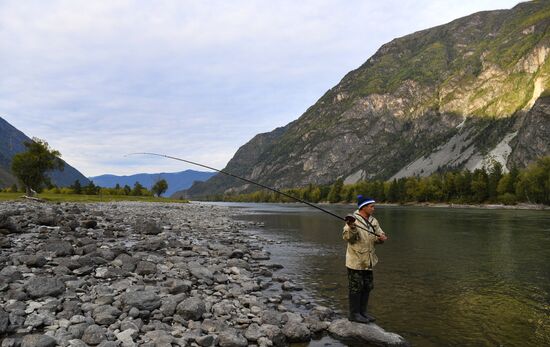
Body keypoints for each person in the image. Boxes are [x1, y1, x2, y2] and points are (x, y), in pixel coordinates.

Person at [342, 195, 388, 324]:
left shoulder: (373, 221)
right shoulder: (352, 220)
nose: (374, 208)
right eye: (371, 206)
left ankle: (363, 312)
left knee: (367, 286)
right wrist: (352, 227)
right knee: (356, 287)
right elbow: (348, 238)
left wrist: (381, 238)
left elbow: (378, 235)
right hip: (355, 261)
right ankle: (354, 314)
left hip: (368, 260)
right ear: (363, 207)